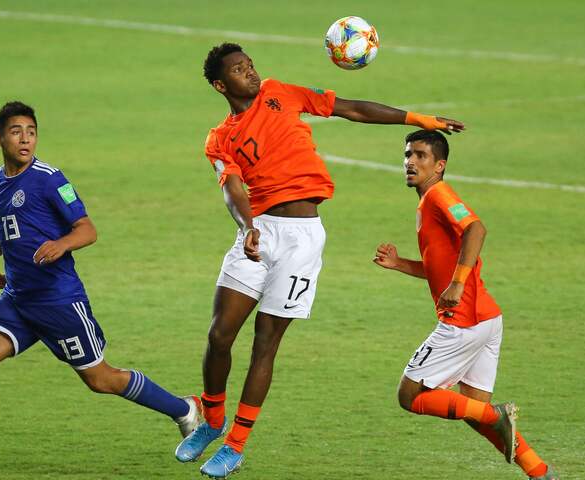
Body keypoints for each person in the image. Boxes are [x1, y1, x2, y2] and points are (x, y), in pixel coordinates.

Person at [174, 43, 465, 479]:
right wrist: (247, 226)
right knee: (219, 335)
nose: (251, 73)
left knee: (264, 343)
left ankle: (235, 443)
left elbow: (352, 109)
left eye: (250, 65)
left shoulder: (280, 92)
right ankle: (212, 419)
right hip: (258, 232)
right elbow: (231, 188)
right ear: (221, 85)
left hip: (302, 239)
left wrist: (417, 118)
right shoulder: (220, 138)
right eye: (239, 70)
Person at [0, 101, 200, 480]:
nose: (25, 139)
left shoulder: (50, 179)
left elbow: (87, 229)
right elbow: (9, 223)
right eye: (16, 131)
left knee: (100, 379)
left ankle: (183, 409)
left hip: (59, 301)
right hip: (18, 299)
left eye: (31, 132)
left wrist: (63, 244)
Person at [373, 129, 557, 479]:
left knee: (410, 395)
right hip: (487, 319)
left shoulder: (439, 195)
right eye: (407, 154)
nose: (410, 161)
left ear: (439, 165)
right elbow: (438, 267)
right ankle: (539, 471)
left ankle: (497, 416)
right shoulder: (427, 201)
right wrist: (401, 265)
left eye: (420, 156)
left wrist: (457, 284)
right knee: (473, 410)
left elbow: (476, 229)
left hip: (462, 322)